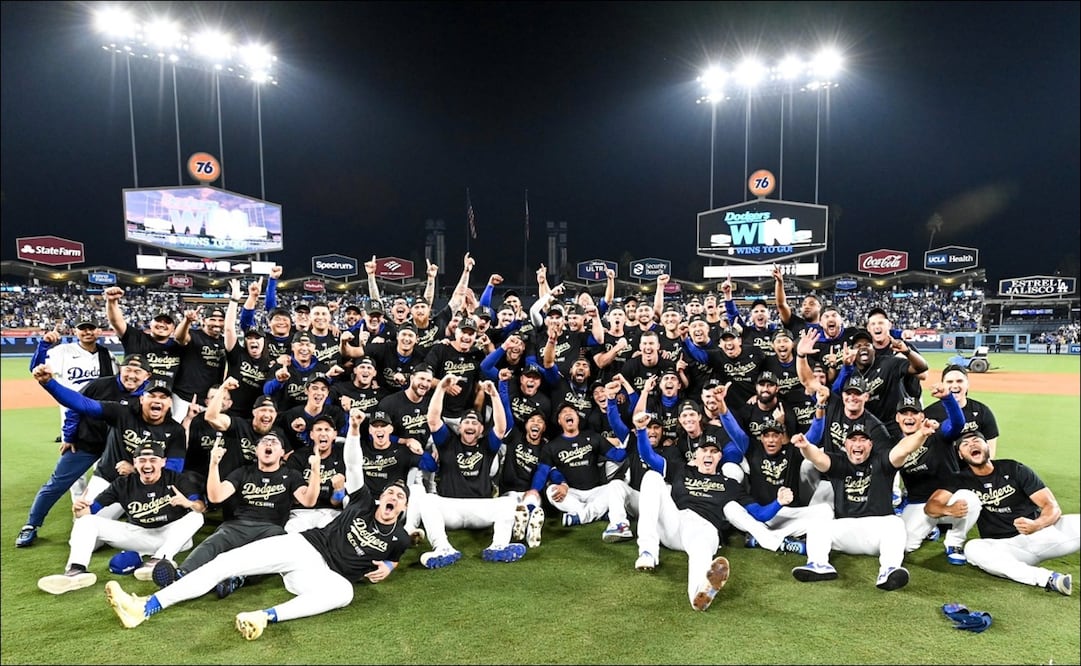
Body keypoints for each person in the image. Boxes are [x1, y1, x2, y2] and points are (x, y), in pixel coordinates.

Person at [105, 481, 411, 640]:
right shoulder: (361, 506)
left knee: (345, 593)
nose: (393, 497)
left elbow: (393, 558)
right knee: (226, 561)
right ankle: (145, 607)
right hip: (303, 546)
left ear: (404, 507)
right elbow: (355, 465)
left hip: (322, 576)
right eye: (391, 492)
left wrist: (388, 567)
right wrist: (356, 429)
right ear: (381, 498)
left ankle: (263, 617)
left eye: (400, 496)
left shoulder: (399, 538)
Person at [630, 411, 780, 612]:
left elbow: (759, 514)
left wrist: (779, 502)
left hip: (705, 528)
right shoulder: (682, 470)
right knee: (651, 477)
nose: (708, 454)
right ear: (696, 454)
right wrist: (641, 430)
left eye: (713, 451)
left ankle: (699, 595)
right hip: (676, 522)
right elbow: (649, 457)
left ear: (720, 456)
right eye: (704, 450)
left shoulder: (729, 484)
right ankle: (648, 551)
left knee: (701, 551)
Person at [150, 432, 321, 597]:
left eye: (274, 442)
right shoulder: (243, 472)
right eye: (264, 441)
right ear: (256, 450)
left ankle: (237, 579)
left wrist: (315, 471)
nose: (269, 444)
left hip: (270, 529)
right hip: (236, 526)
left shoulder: (291, 475)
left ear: (282, 453)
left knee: (275, 548)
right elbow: (216, 496)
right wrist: (214, 464)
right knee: (212, 543)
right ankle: (180, 575)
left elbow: (308, 501)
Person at [788, 417, 941, 591]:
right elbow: (817, 458)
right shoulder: (838, 463)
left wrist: (922, 433)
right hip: (846, 530)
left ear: (870, 445)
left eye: (863, 440)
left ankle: (889, 570)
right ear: (845, 445)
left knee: (896, 523)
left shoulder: (882, 461)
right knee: (818, 524)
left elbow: (903, 449)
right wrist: (806, 446)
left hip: (876, 532)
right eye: (853, 440)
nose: (858, 444)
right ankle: (818, 564)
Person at [16, 354, 150, 548]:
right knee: (57, 483)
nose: (131, 375)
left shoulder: (149, 396)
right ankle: (31, 525)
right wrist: (69, 437)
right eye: (128, 369)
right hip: (87, 442)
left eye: (138, 371)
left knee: (130, 483)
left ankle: (130, 519)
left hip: (119, 451)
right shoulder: (100, 385)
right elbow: (75, 406)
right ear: (120, 369)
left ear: (147, 376)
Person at [36, 442, 205, 595]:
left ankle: (160, 560)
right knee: (86, 522)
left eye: (153, 460)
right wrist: (78, 510)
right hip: (139, 535)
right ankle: (76, 571)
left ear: (162, 462)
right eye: (142, 460)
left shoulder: (177, 479)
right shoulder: (123, 483)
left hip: (172, 536)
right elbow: (90, 511)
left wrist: (188, 504)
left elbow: (201, 507)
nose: (147, 464)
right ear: (135, 462)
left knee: (196, 517)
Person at [925, 431, 1078, 596]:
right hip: (1003, 547)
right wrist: (948, 510)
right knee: (972, 548)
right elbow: (931, 507)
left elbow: (1051, 506)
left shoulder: (1014, 469)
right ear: (961, 455)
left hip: (1040, 536)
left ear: (987, 447)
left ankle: (1028, 567)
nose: (972, 445)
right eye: (965, 444)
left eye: (976, 440)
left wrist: (1037, 524)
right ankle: (1050, 579)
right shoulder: (960, 479)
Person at [413, 376, 527, 567]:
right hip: (451, 507)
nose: (471, 426)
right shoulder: (447, 442)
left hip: (480, 507)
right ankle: (443, 548)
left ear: (481, 429)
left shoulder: (487, 445)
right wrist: (441, 387)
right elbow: (432, 420)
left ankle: (498, 547)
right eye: (467, 422)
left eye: (475, 423)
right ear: (459, 427)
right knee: (426, 499)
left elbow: (501, 427)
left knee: (508, 502)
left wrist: (494, 395)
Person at [29, 317, 118, 441]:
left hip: (102, 419)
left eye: (91, 328)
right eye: (82, 328)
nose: (87, 332)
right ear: (74, 331)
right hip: (72, 420)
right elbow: (36, 368)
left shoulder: (108, 355)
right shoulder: (62, 352)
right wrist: (44, 344)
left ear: (99, 331)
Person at [924, 365, 1001, 458]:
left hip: (973, 468)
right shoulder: (930, 413)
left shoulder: (982, 411)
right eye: (949, 382)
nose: (955, 385)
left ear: (967, 384)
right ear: (942, 385)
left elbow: (990, 449)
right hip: (944, 469)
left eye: (960, 381)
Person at [171, 305, 227, 422]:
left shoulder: (224, 342)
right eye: (212, 319)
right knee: (179, 432)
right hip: (184, 397)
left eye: (221, 320)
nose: (217, 323)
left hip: (208, 400)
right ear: (203, 320)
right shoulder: (194, 335)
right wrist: (187, 321)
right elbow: (179, 337)